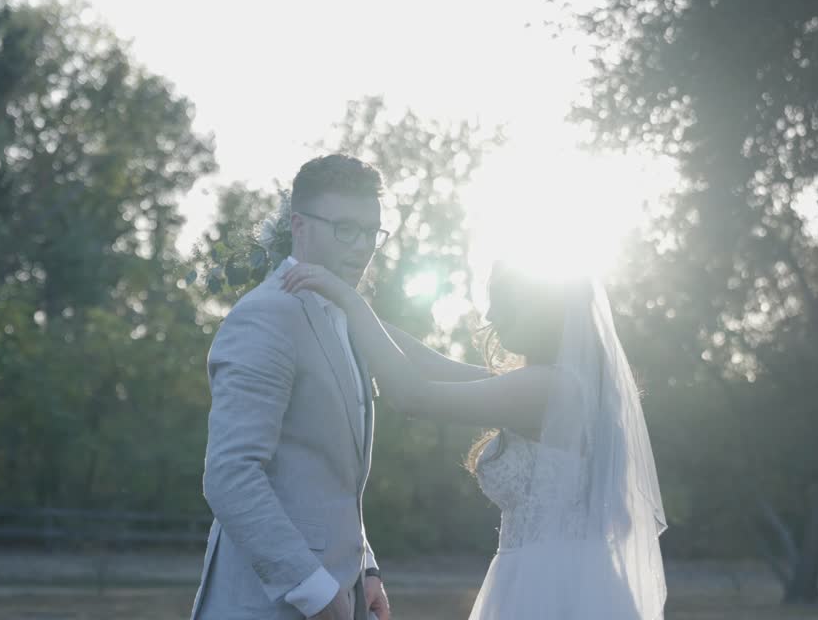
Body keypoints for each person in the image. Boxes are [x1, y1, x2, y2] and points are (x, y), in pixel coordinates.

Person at [283, 259, 668, 619]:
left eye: (501, 302)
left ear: (540, 307)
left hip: (553, 589)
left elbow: (413, 395)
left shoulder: (548, 390)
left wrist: (350, 301)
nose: (489, 315)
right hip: (543, 577)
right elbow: (431, 365)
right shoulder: (557, 383)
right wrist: (342, 312)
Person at [192, 154, 392, 620]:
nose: (361, 246)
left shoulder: (344, 316)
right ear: (299, 225)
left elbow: (329, 482)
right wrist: (315, 590)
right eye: (346, 228)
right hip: (265, 603)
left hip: (346, 591)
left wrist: (366, 567)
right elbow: (231, 474)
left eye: (372, 232)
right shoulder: (267, 315)